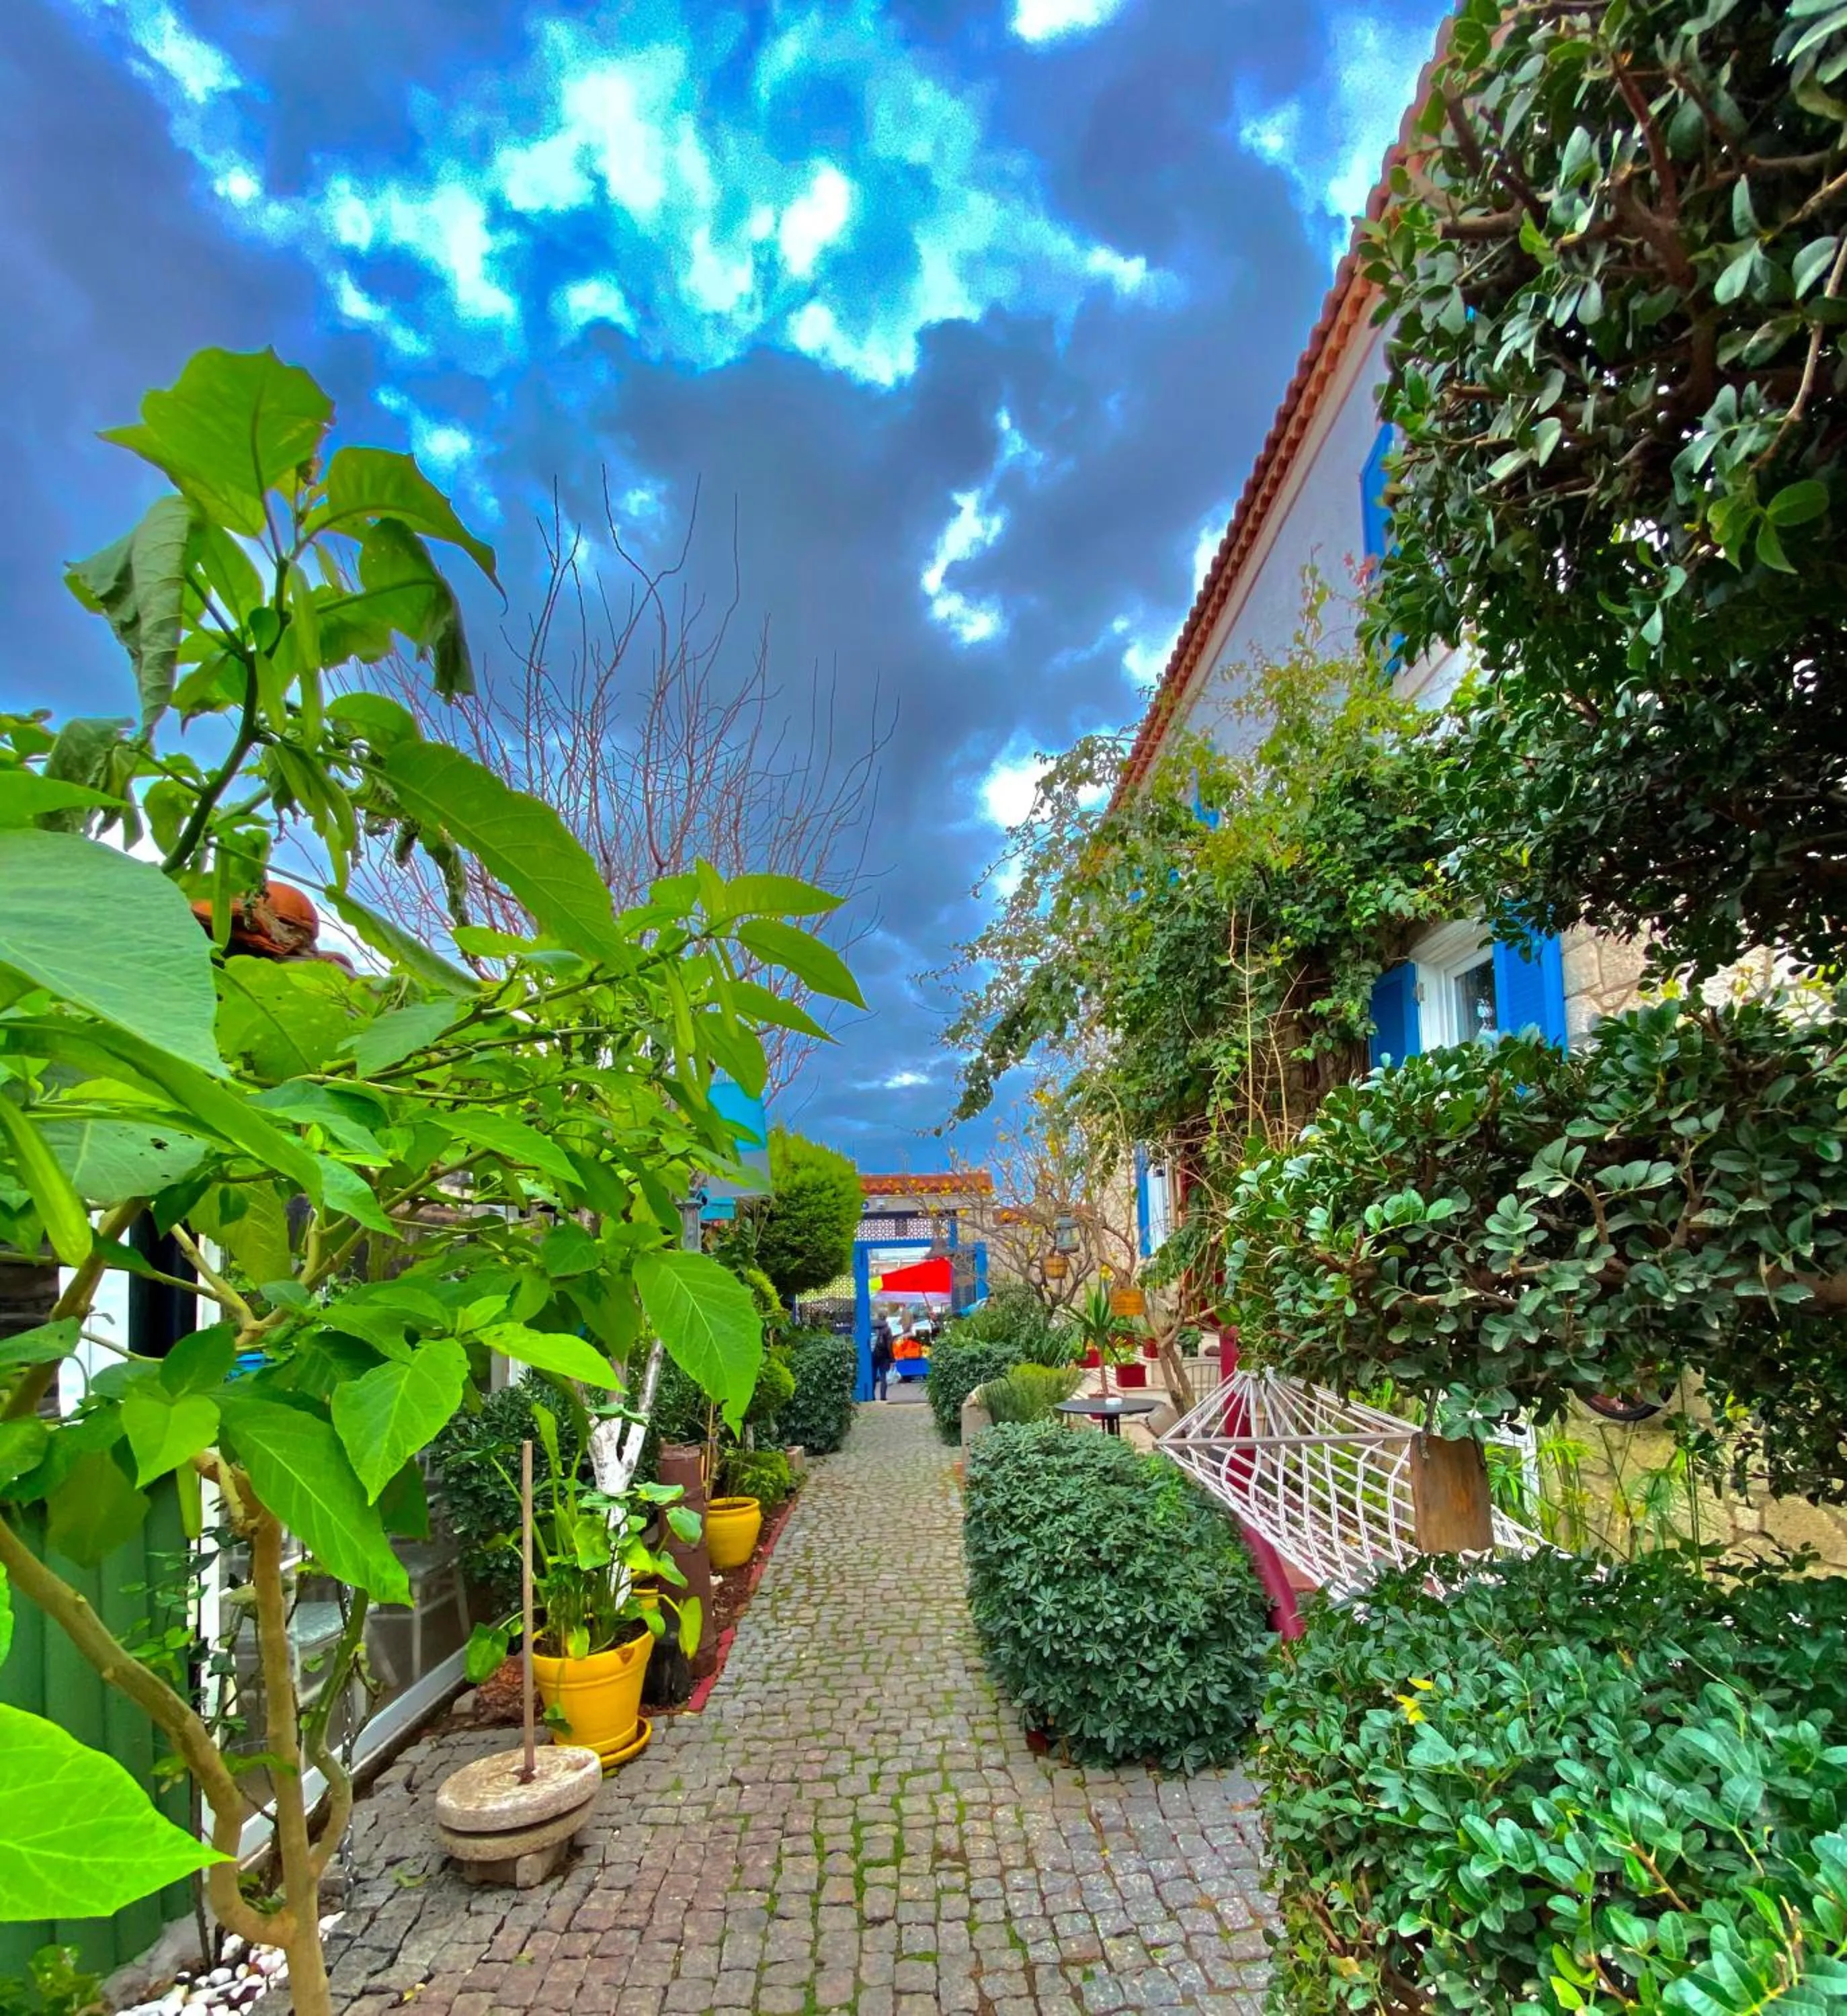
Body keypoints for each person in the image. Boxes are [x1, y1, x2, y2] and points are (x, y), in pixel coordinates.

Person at [870, 1310, 895, 1402]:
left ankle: (871, 1396)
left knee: (872, 1376)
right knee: (883, 1376)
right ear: (886, 1317)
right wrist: (892, 1359)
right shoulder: (887, 1329)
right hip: (884, 1355)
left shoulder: (871, 1327)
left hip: (872, 1354)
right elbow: (889, 1345)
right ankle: (883, 1397)